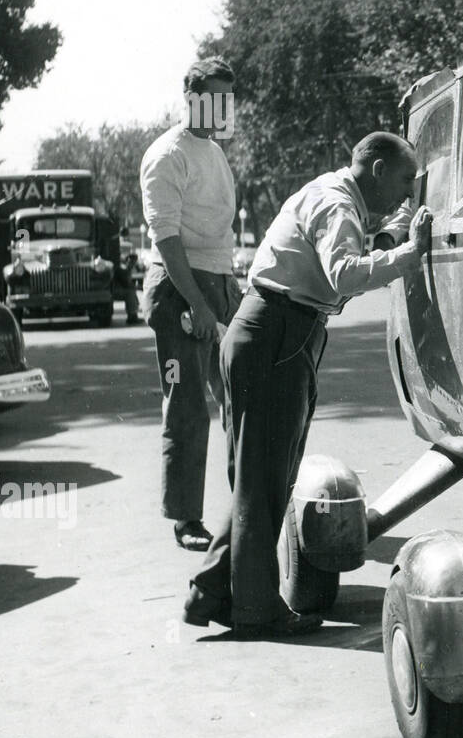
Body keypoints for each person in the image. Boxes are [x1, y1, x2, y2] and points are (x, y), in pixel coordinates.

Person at [183, 132, 432, 639]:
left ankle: (210, 591)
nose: (408, 194)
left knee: (260, 478)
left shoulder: (333, 196)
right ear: (378, 169)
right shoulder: (339, 204)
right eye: (406, 180)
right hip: (278, 336)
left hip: (268, 334)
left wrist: (389, 237)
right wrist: (410, 252)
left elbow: (345, 252)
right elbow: (342, 274)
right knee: (265, 482)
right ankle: (255, 611)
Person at [140, 59, 241, 551]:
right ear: (191, 98)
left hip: (219, 283)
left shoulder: (213, 151)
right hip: (182, 289)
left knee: (241, 394)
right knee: (187, 405)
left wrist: (227, 292)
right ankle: (186, 519)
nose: (221, 108)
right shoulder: (167, 155)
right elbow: (167, 238)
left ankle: (252, 505)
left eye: (227, 98)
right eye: (213, 98)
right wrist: (198, 305)